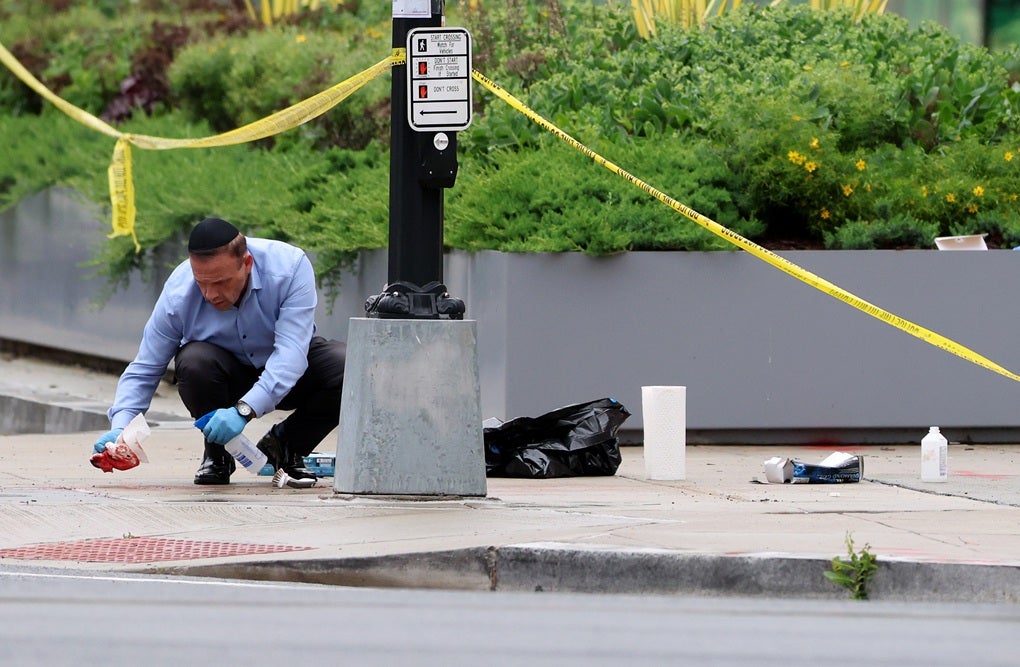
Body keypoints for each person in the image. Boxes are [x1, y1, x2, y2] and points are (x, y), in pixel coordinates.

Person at [92, 217, 346, 487]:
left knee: (350, 368)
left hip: (287, 374)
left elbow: (291, 355)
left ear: (246, 263)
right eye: (202, 282)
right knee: (193, 360)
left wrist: (244, 411)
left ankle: (285, 446)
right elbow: (146, 367)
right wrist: (120, 428)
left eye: (221, 282)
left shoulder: (290, 267)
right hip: (224, 378)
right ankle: (218, 455)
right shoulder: (178, 292)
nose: (210, 294)